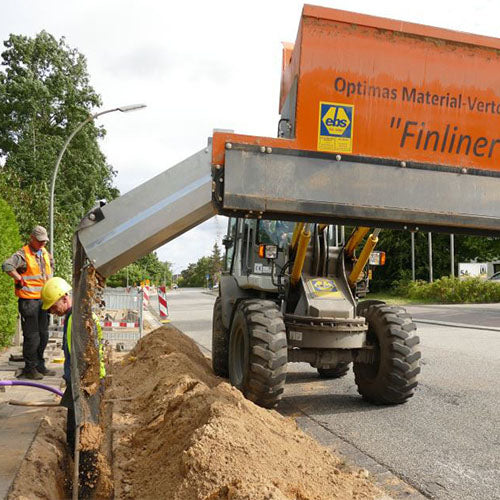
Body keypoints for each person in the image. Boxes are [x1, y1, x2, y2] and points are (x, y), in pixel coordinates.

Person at [40, 277, 106, 455]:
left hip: (86, 384)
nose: (53, 311)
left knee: (84, 434)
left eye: (53, 306)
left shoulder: (77, 320)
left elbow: (86, 357)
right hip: (80, 381)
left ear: (64, 298)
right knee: (74, 432)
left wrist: (81, 386)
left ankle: (86, 477)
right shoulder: (73, 317)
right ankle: (75, 467)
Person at [2, 225, 55, 379]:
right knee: (32, 337)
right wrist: (19, 278)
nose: (42, 244)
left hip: (43, 301)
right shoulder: (23, 255)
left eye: (44, 241)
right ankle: (30, 368)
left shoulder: (45, 253)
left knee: (44, 335)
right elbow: (7, 265)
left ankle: (40, 365)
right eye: (39, 241)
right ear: (32, 238)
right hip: (29, 302)